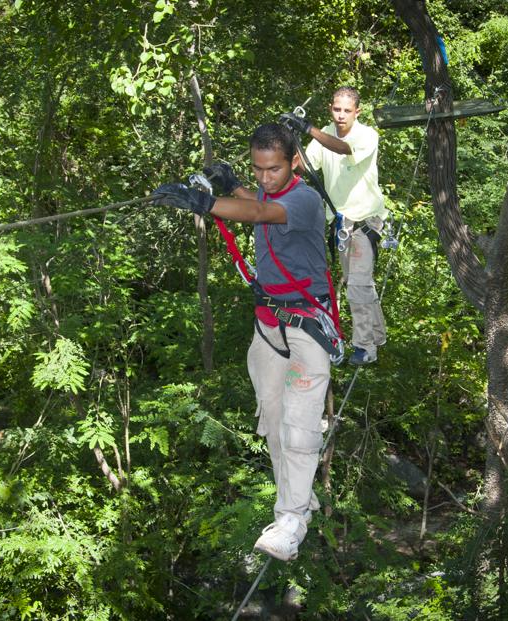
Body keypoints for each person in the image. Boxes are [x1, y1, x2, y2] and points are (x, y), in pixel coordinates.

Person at [151, 123, 334, 562]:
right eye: (257, 170)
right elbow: (256, 200)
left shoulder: (305, 200)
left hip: (307, 325)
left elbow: (259, 213)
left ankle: (291, 521)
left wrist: (205, 202)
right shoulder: (269, 191)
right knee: (272, 421)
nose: (264, 178)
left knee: (300, 426)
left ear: (293, 163)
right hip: (269, 325)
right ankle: (298, 498)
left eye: (273, 170)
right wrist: (230, 183)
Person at [280, 86, 388, 365]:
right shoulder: (324, 133)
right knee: (358, 283)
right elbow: (305, 166)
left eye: (347, 111)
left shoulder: (367, 136)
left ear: (357, 112)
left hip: (366, 221)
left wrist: (309, 128)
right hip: (342, 223)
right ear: (331, 108)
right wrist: (289, 142)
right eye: (337, 109)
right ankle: (377, 334)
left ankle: (365, 347)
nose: (341, 116)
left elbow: (343, 148)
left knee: (358, 286)